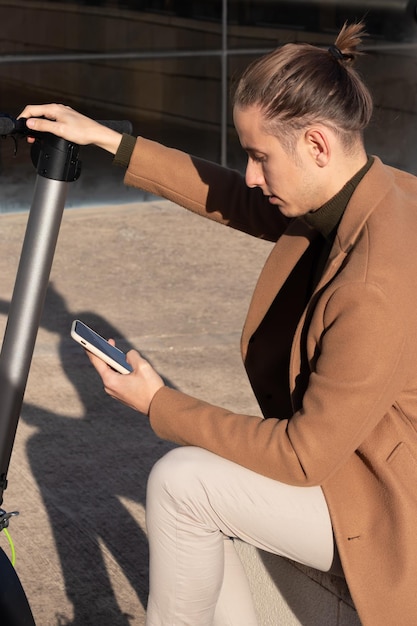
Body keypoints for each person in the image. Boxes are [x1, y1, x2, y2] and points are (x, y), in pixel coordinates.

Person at [19, 21, 417, 625]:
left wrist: (159, 403)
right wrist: (105, 139)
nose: (253, 175)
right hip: (359, 463)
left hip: (385, 509)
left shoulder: (375, 283)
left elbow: (303, 458)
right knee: (208, 489)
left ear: (315, 145)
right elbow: (237, 198)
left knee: (187, 484)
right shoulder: (373, 191)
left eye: (261, 156)